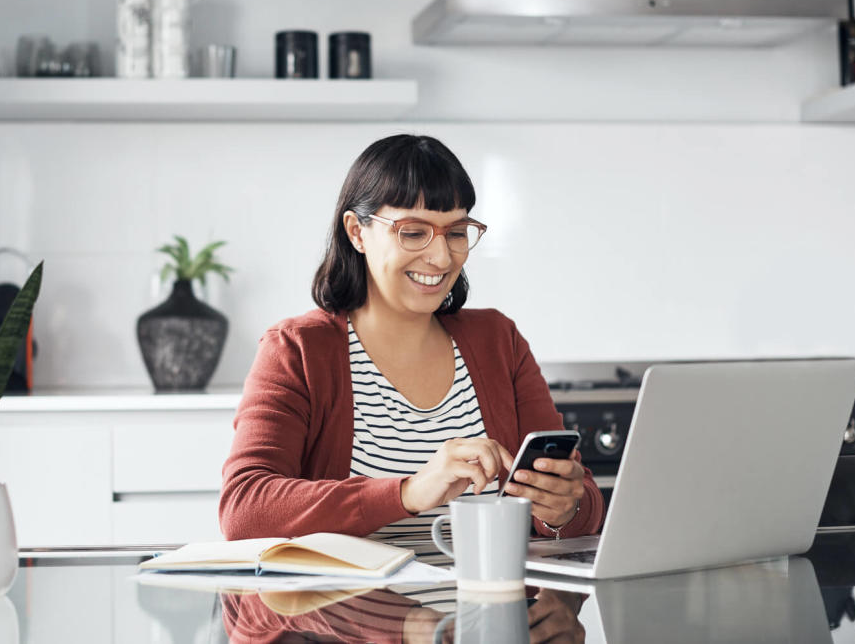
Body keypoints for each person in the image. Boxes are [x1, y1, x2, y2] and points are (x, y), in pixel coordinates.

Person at [219, 134, 604, 548]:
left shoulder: (499, 341)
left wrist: (566, 508)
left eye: (456, 232)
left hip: (491, 609)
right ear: (357, 232)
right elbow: (245, 508)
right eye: (414, 232)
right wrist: (408, 492)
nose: (441, 258)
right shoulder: (296, 350)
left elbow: (586, 506)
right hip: (343, 613)